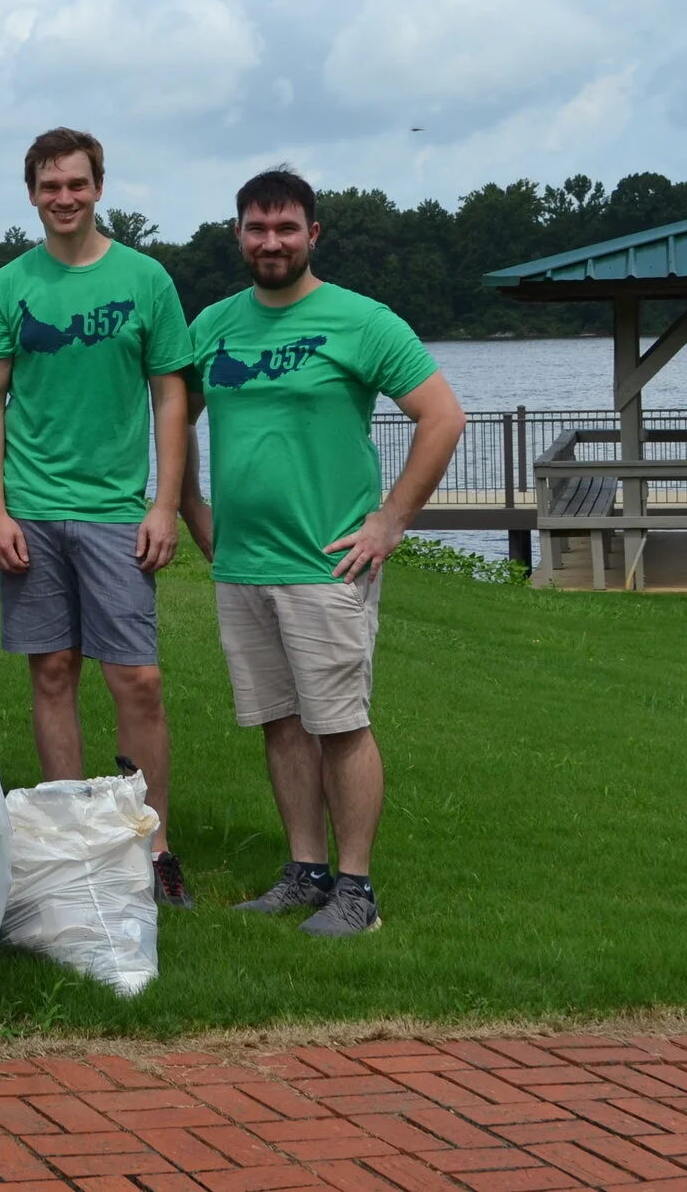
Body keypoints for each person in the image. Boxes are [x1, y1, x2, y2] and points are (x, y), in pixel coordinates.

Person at [180, 166, 464, 937]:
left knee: (339, 722)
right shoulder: (212, 326)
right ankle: (304, 872)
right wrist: (187, 503)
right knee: (280, 721)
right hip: (244, 564)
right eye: (256, 228)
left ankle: (357, 889)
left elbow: (442, 416)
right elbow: (174, 417)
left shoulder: (362, 321)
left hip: (326, 562)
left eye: (286, 227)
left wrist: (389, 519)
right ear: (238, 234)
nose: (270, 241)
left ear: (313, 234)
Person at [0, 128, 195, 907]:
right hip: (31, 508)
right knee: (53, 670)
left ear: (99, 186)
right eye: (48, 185)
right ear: (31, 192)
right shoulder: (9, 285)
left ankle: (151, 839)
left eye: (76, 183)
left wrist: (164, 502)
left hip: (112, 509)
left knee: (137, 677)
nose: (63, 198)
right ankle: (72, 841)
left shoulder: (146, 280)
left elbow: (171, 394)